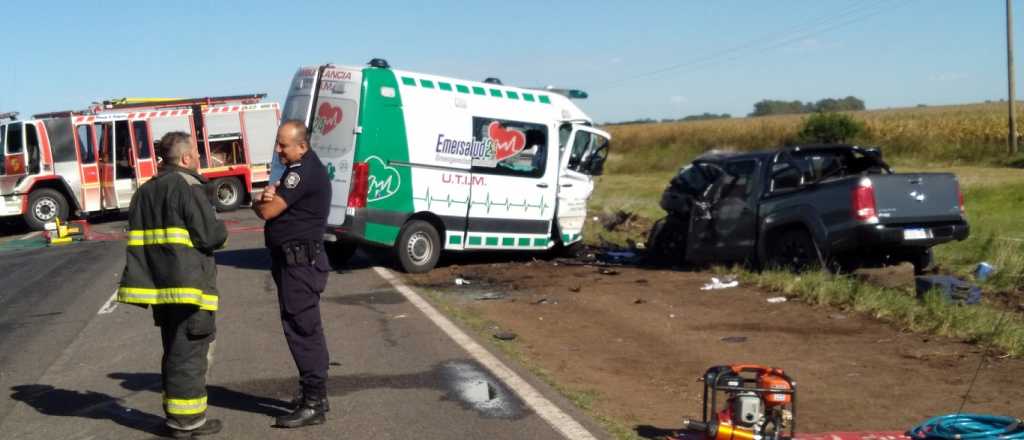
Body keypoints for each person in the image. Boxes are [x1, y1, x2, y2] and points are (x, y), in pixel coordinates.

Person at [117, 131, 227, 438]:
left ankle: (177, 417)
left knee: (173, 352)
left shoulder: (146, 191)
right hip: (190, 290)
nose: (199, 159)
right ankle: (187, 422)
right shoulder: (187, 187)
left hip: (161, 292)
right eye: (196, 154)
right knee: (189, 355)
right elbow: (210, 236)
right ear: (187, 158)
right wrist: (222, 229)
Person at [252, 120, 332, 428]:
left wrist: (259, 201)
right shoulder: (298, 168)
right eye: (278, 142)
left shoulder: (301, 171)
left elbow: (269, 211)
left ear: (301, 145)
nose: (278, 149)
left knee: (302, 329)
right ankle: (314, 395)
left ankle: (314, 403)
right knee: (304, 326)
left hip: (300, 263)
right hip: (296, 262)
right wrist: (265, 198)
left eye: (283, 144)